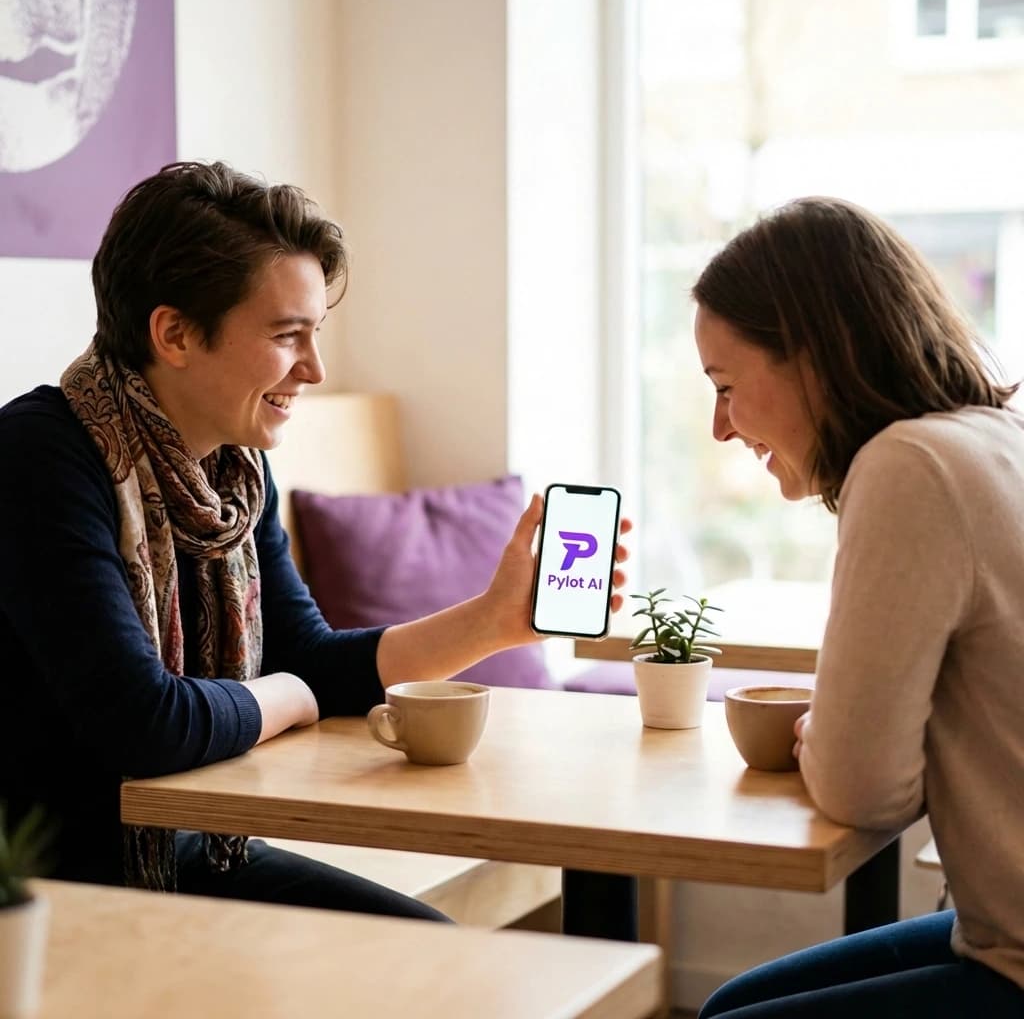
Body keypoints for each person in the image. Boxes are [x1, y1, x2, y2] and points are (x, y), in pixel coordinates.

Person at [0, 160, 630, 919]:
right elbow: (145, 724)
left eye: (316, 334)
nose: (315, 367)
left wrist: (496, 620)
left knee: (440, 952)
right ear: (173, 334)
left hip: (198, 852)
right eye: (286, 335)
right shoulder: (38, 459)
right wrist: (291, 697)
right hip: (53, 889)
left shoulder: (235, 476)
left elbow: (312, 661)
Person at [690, 196, 1024, 1016]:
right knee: (728, 1005)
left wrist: (832, 735)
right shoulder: (993, 436)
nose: (719, 427)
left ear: (812, 356)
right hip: (992, 931)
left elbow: (864, 789)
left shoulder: (909, 466)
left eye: (727, 386)